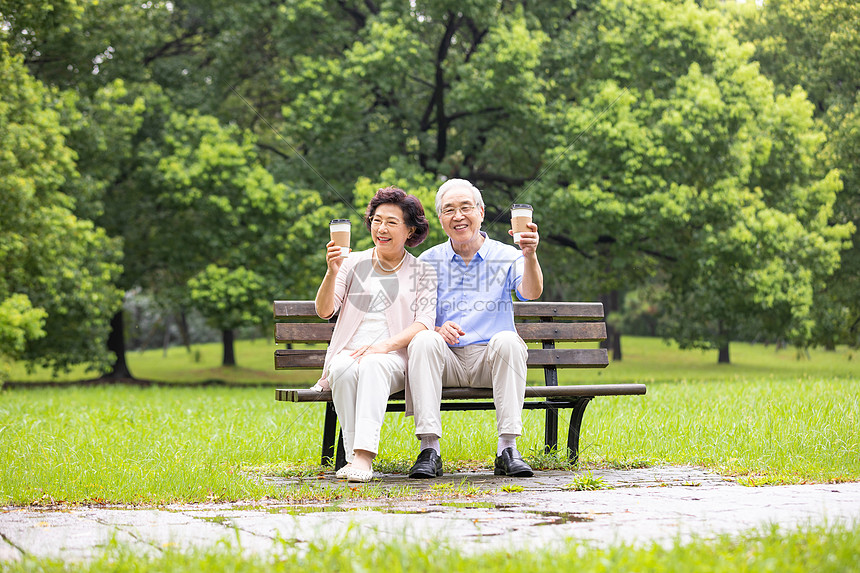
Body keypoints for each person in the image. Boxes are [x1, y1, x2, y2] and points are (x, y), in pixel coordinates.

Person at [407, 179, 543, 479]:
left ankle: (507, 448)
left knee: (509, 340)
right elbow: (412, 315)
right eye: (449, 210)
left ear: (480, 212)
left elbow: (530, 292)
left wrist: (530, 254)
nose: (458, 216)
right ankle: (429, 450)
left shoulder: (509, 255)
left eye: (465, 207)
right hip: (446, 361)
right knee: (424, 340)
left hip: (490, 360)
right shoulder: (427, 261)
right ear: (440, 219)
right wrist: (437, 328)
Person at [314, 187, 437, 483]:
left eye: (392, 222)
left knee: (372, 364)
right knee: (341, 368)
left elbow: (424, 323)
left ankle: (364, 456)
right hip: (350, 351)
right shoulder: (352, 262)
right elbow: (324, 310)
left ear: (410, 230)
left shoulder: (423, 271)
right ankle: (353, 457)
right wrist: (331, 271)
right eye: (376, 220)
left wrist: (381, 347)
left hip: (392, 356)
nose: (381, 229)